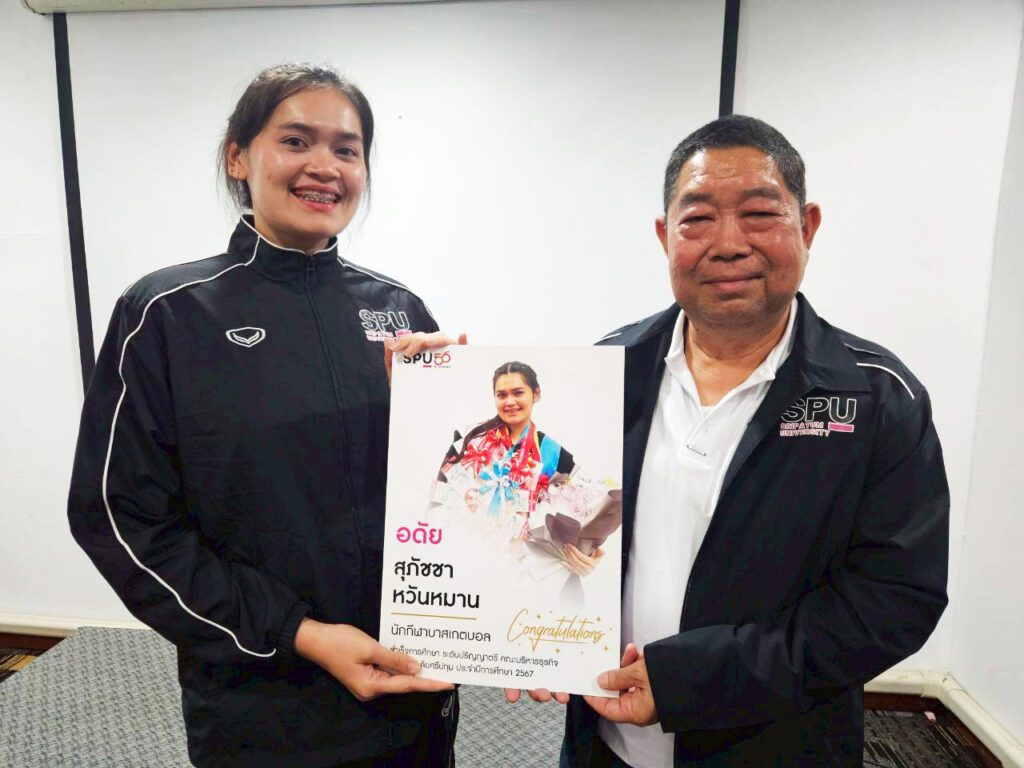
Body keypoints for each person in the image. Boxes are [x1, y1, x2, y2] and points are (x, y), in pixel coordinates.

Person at [68, 63, 463, 768]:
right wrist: (299, 633)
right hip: (263, 708)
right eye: (295, 141)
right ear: (238, 157)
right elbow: (118, 517)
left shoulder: (400, 311)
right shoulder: (166, 314)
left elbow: (454, 499)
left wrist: (455, 413)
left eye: (346, 149)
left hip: (411, 690)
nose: (325, 167)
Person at [556, 115, 949, 766]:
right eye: (697, 219)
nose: (729, 244)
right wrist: (431, 381)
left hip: (776, 749)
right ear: (664, 236)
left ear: (808, 227)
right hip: (604, 744)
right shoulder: (604, 370)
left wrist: (690, 681)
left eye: (760, 214)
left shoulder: (876, 398)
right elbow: (558, 525)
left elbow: (894, 602)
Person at [429, 361, 611, 581]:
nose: (509, 402)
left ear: (536, 394)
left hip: (521, 571)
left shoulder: (553, 453)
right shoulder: (470, 440)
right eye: (501, 395)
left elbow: (585, 509)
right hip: (467, 560)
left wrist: (588, 555)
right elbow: (437, 503)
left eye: (518, 393)